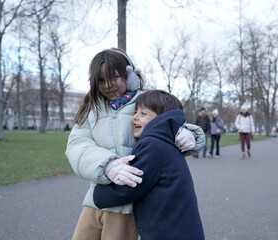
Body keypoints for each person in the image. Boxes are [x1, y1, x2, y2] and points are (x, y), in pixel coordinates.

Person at [65, 48, 205, 240]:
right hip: (95, 200)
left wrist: (187, 133)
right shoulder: (92, 110)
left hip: (126, 207)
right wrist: (107, 164)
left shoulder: (144, 101)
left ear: (129, 76)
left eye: (113, 77)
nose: (108, 85)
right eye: (100, 80)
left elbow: (166, 120)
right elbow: (77, 145)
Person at [93, 90, 205, 240]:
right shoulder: (165, 143)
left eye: (143, 114)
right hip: (180, 229)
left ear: (160, 119)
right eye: (135, 112)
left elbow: (133, 185)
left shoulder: (152, 145)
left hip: (169, 233)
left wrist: (99, 193)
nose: (134, 117)